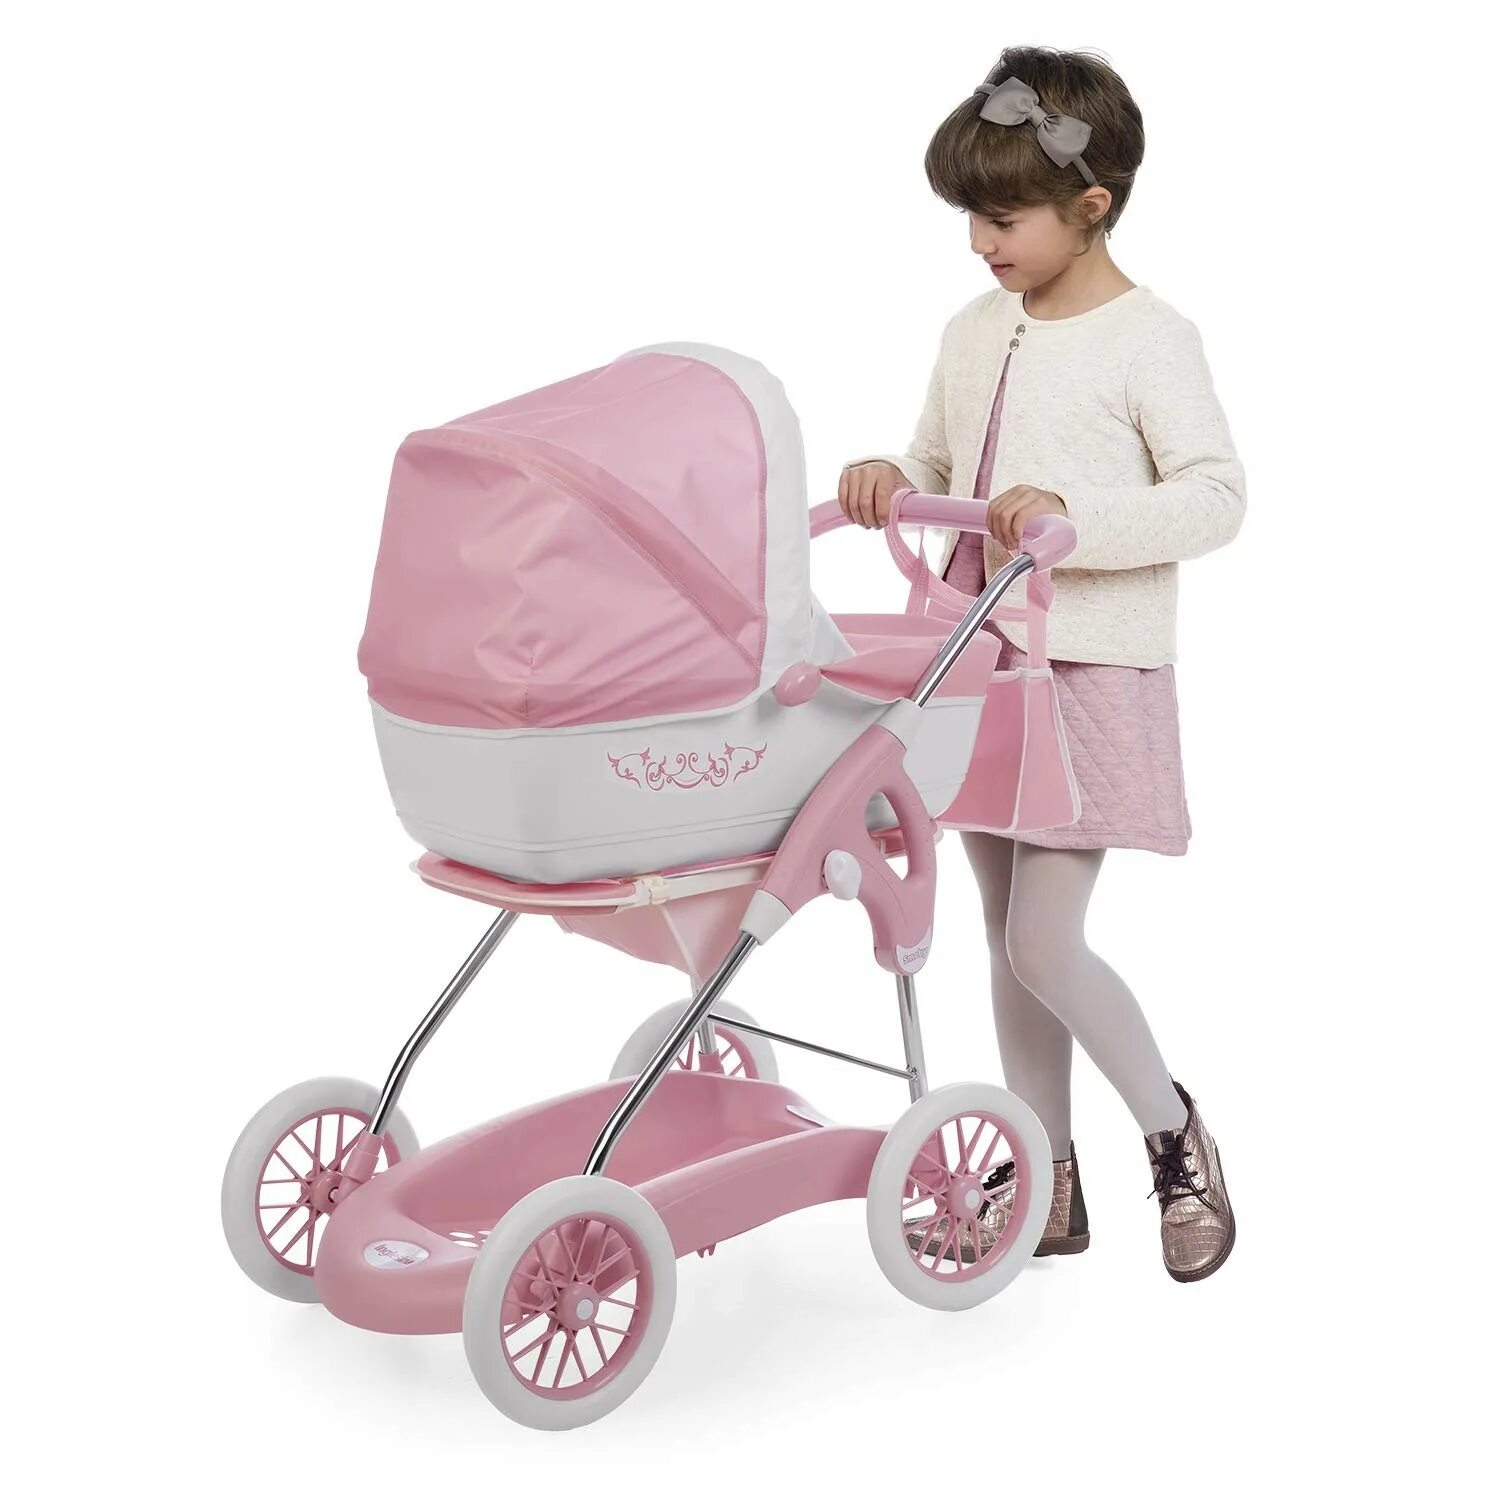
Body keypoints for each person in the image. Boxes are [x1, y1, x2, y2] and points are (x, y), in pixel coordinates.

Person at [838, 46, 1244, 1282]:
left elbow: (1216, 497)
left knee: (1041, 942)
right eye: (970, 215)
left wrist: (1075, 516)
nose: (979, 241)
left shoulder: (1149, 340)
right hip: (973, 667)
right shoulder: (974, 330)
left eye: (1003, 217)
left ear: (1091, 205)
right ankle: (1047, 1174)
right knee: (1001, 928)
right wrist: (892, 478)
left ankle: (1173, 1133)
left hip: (1085, 675)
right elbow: (936, 460)